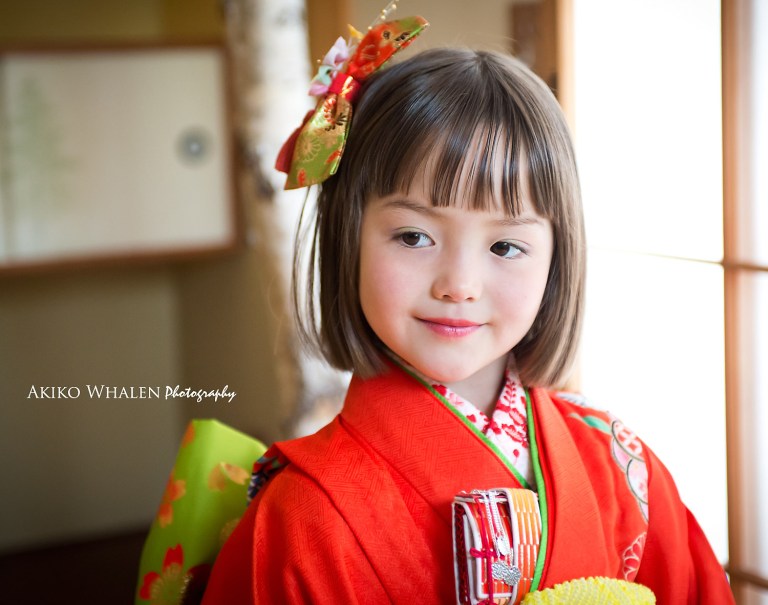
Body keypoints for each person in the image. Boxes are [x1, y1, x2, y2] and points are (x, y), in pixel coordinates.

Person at [202, 16, 734, 605]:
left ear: (557, 259)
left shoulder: (619, 465)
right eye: (412, 237)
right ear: (348, 237)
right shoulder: (305, 515)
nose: (459, 284)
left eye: (505, 246)